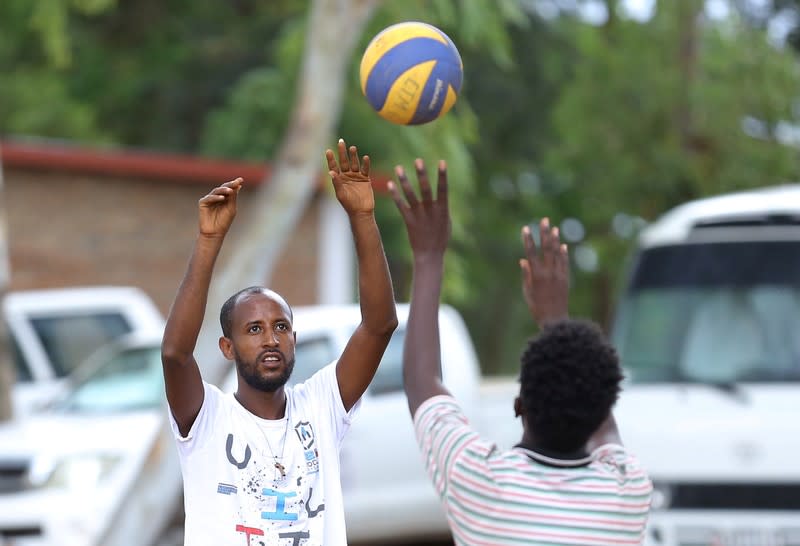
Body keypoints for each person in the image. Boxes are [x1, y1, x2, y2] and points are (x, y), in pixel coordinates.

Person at [388, 159, 652, 545]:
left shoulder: (480, 484)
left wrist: (429, 256)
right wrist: (556, 321)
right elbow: (423, 385)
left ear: (519, 404)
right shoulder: (627, 494)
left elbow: (421, 384)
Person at [161, 138, 398, 546]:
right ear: (227, 348)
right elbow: (175, 354)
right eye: (253, 329)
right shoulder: (207, 418)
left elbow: (379, 326)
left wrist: (361, 216)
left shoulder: (320, 406)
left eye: (281, 327)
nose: (271, 338)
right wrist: (207, 242)